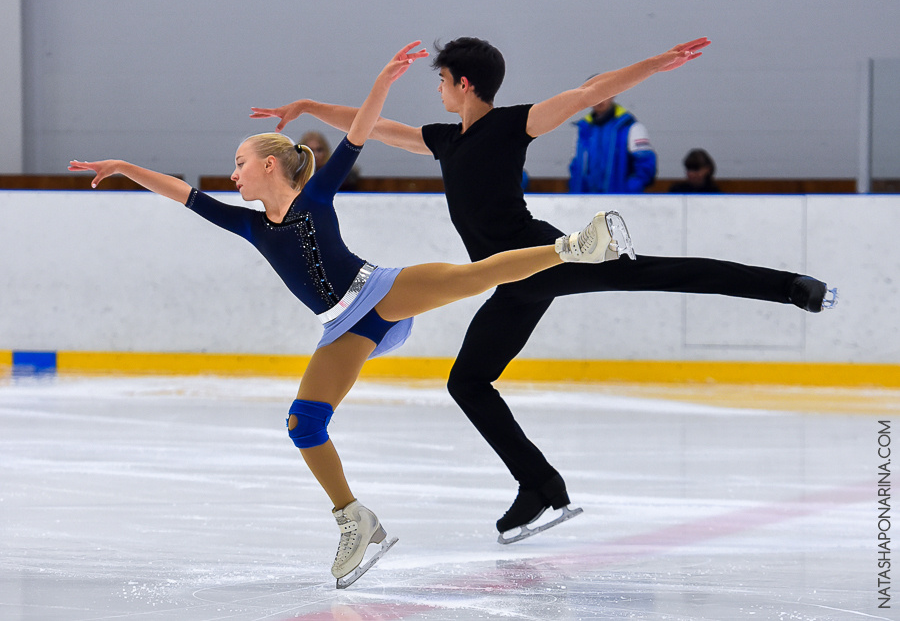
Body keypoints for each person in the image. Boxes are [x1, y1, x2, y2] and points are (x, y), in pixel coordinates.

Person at [67, 42, 633, 588]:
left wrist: (383, 82)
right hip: (342, 327)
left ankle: (574, 247)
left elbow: (360, 133)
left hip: (380, 291)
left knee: (471, 276)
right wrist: (125, 166)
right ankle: (355, 521)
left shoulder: (315, 198)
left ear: (269, 164)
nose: (232, 175)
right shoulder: (248, 224)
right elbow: (182, 194)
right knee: (303, 424)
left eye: (239, 164)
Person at [249, 35, 838, 543]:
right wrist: (304, 106)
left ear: (465, 83)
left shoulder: (513, 124)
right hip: (509, 280)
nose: (438, 92)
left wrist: (654, 65)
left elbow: (586, 95)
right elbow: (371, 127)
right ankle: (539, 484)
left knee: (661, 271)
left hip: (546, 257)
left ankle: (790, 287)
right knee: (468, 383)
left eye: (443, 83)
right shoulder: (445, 140)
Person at [569, 97, 657, 193]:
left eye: (604, 94)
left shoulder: (631, 127)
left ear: (612, 94)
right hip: (586, 201)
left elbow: (645, 165)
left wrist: (628, 191)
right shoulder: (583, 129)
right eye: (593, 95)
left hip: (620, 201)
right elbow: (576, 166)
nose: (599, 100)